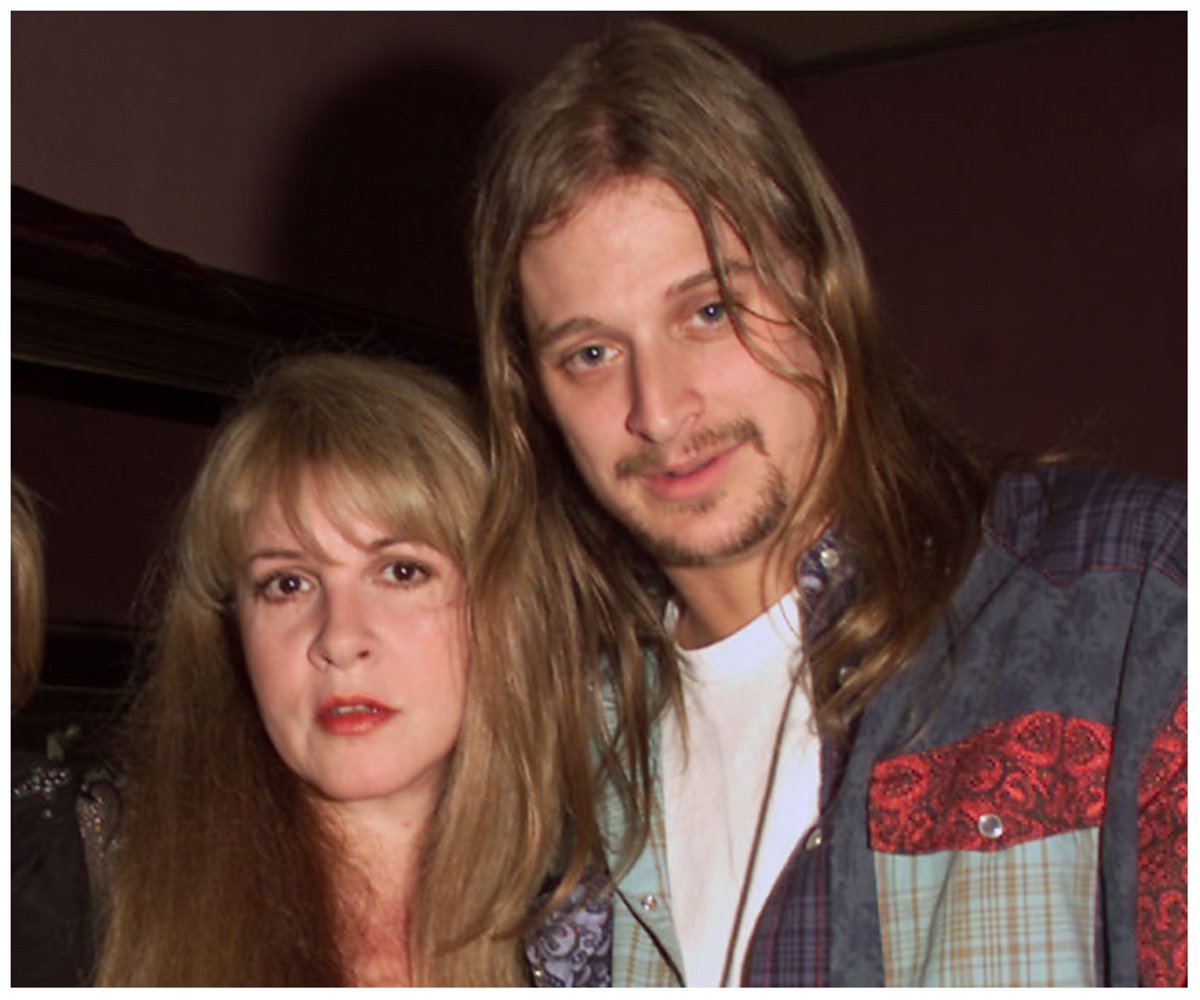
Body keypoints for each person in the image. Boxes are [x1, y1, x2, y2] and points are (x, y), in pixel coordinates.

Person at [470, 19, 1186, 988]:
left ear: (824, 282)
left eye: (710, 309)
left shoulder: (1134, 602)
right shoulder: (545, 755)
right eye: (590, 352)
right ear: (535, 393)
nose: (657, 407)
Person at [78, 352, 605, 986]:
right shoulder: (84, 877)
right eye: (288, 583)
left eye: (402, 571)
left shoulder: (603, 914)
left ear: (505, 605)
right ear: (231, 628)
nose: (340, 638)